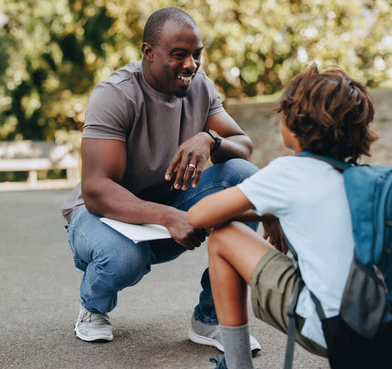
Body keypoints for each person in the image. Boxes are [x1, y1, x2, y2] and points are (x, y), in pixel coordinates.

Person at [60, 7, 261, 353]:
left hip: (169, 208)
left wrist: (210, 139)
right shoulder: (116, 94)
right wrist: (170, 217)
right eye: (179, 55)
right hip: (103, 217)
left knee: (246, 183)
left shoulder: (200, 87)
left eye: (196, 54)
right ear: (148, 53)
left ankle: (211, 318)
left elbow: (243, 145)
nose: (191, 65)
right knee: (122, 259)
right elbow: (96, 190)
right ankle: (93, 306)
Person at [187, 65, 378, 368]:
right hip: (390, 327)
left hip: (334, 331)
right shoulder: (368, 179)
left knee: (225, 236)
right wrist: (269, 211)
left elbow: (198, 215)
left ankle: (236, 365)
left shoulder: (289, 172)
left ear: (295, 125)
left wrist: (264, 209)